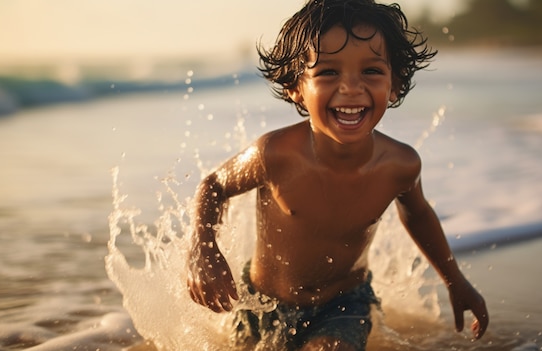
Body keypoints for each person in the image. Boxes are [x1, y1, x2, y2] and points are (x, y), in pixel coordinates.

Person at [186, 0, 489, 350]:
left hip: (344, 304)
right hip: (261, 304)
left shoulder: (400, 165)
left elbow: (418, 213)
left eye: (371, 72)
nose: (351, 88)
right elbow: (214, 185)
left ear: (394, 85)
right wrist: (203, 248)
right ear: (295, 87)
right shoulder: (275, 155)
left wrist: (455, 281)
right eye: (328, 72)